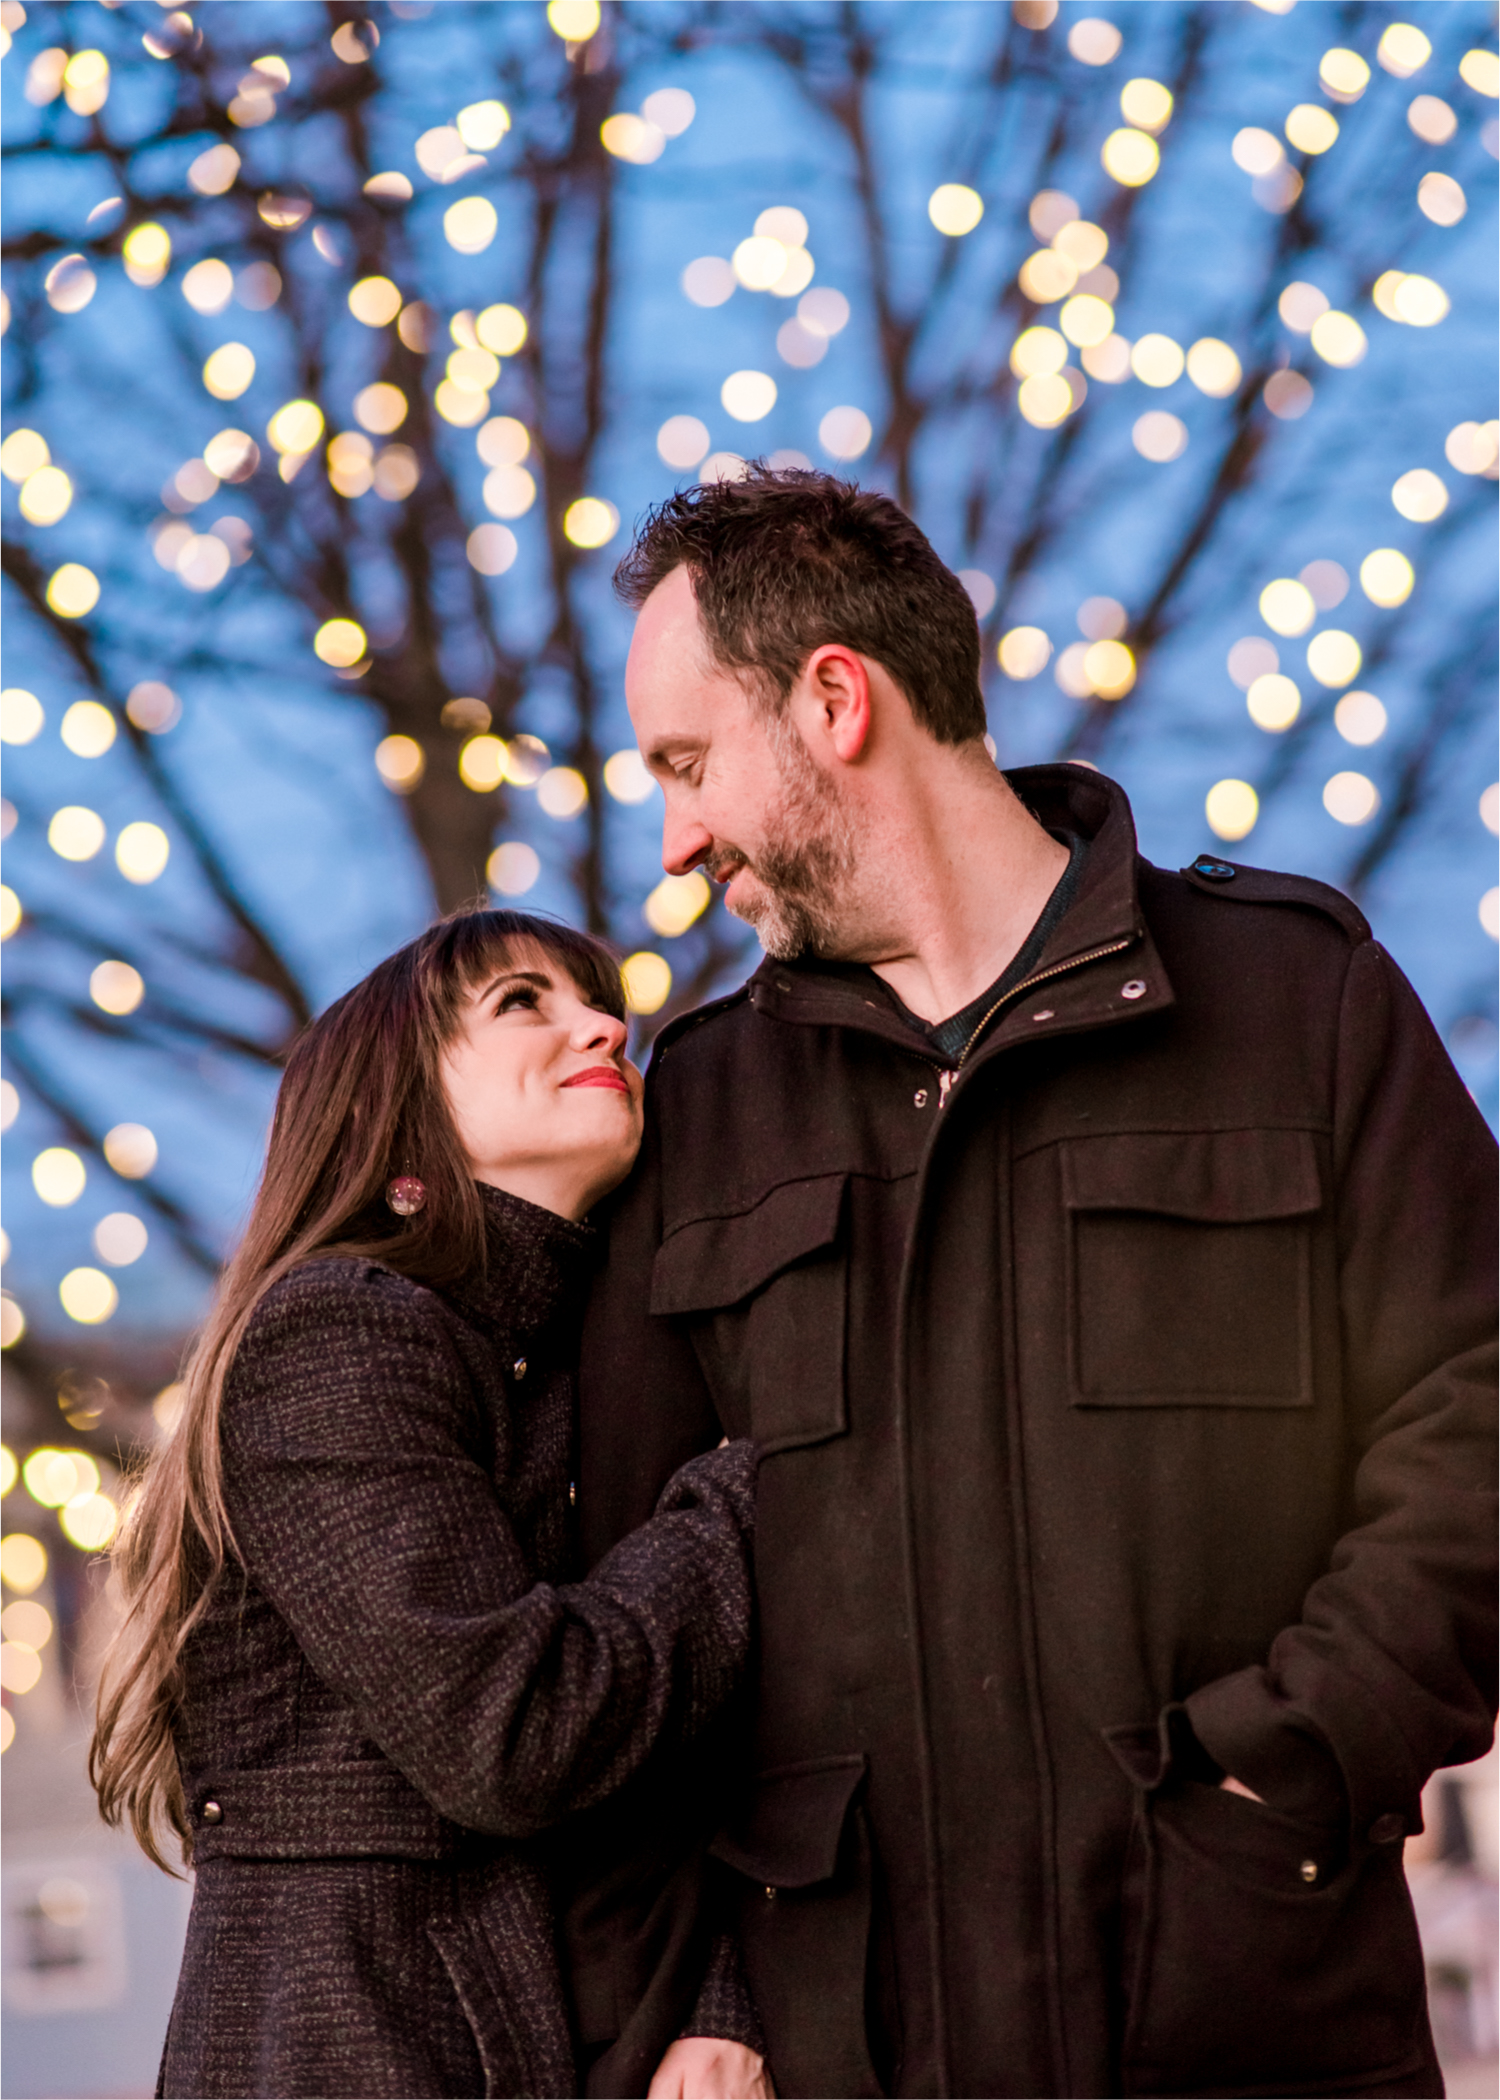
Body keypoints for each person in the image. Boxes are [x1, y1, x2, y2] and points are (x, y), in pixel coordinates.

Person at [577, 469, 1499, 2099]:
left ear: (836, 702)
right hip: (852, 2059)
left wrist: (1285, 1773)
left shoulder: (1301, 1003)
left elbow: (1476, 1417)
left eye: (686, 764)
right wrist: (703, 1987)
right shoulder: (701, 1118)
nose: (673, 841)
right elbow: (619, 1616)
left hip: (1253, 2034)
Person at [90, 909, 770, 2100]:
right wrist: (759, 1488)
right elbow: (512, 1735)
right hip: (351, 2031)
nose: (603, 1024)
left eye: (599, 999)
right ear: (391, 1112)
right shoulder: (337, 1333)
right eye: (524, 1002)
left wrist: (719, 1999)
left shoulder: (572, 1353)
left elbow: (683, 1754)